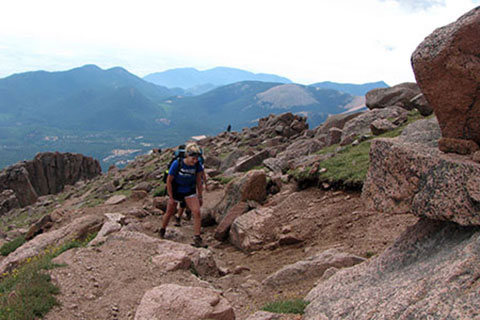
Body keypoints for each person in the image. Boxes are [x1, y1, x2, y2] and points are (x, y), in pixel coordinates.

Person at [159, 143, 207, 248]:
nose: (195, 161)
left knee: (197, 212)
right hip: (176, 189)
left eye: (196, 158)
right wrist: (171, 198)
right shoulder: (177, 164)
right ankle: (162, 230)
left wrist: (200, 196)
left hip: (189, 190)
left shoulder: (197, 164)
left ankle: (197, 238)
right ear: (187, 156)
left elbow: (199, 181)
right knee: (170, 211)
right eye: (193, 158)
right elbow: (169, 181)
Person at [174, 149, 207, 226]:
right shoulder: (200, 160)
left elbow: (201, 172)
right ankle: (183, 214)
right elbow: (202, 172)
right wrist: (205, 182)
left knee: (184, 201)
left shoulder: (197, 162)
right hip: (192, 184)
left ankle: (180, 216)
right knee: (185, 201)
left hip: (191, 184)